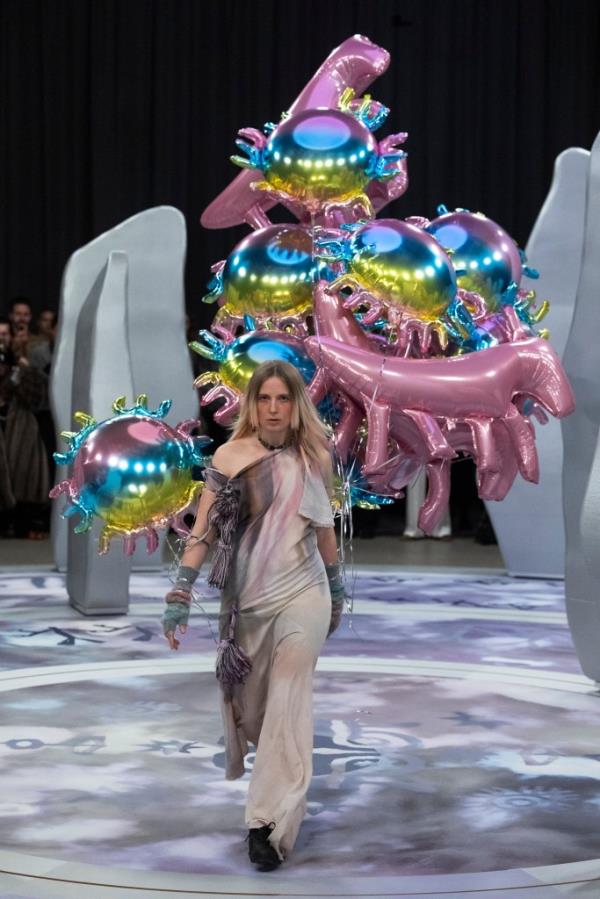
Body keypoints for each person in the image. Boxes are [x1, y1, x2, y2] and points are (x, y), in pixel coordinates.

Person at [162, 360, 344, 871]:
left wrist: (336, 585)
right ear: (251, 404)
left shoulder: (315, 455)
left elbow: (324, 526)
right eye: (263, 399)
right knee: (259, 709)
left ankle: (267, 824)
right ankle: (274, 796)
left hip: (304, 592)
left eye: (282, 399)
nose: (272, 408)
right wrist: (181, 591)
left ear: (295, 405)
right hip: (247, 602)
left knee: (289, 698)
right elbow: (204, 531)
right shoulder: (231, 455)